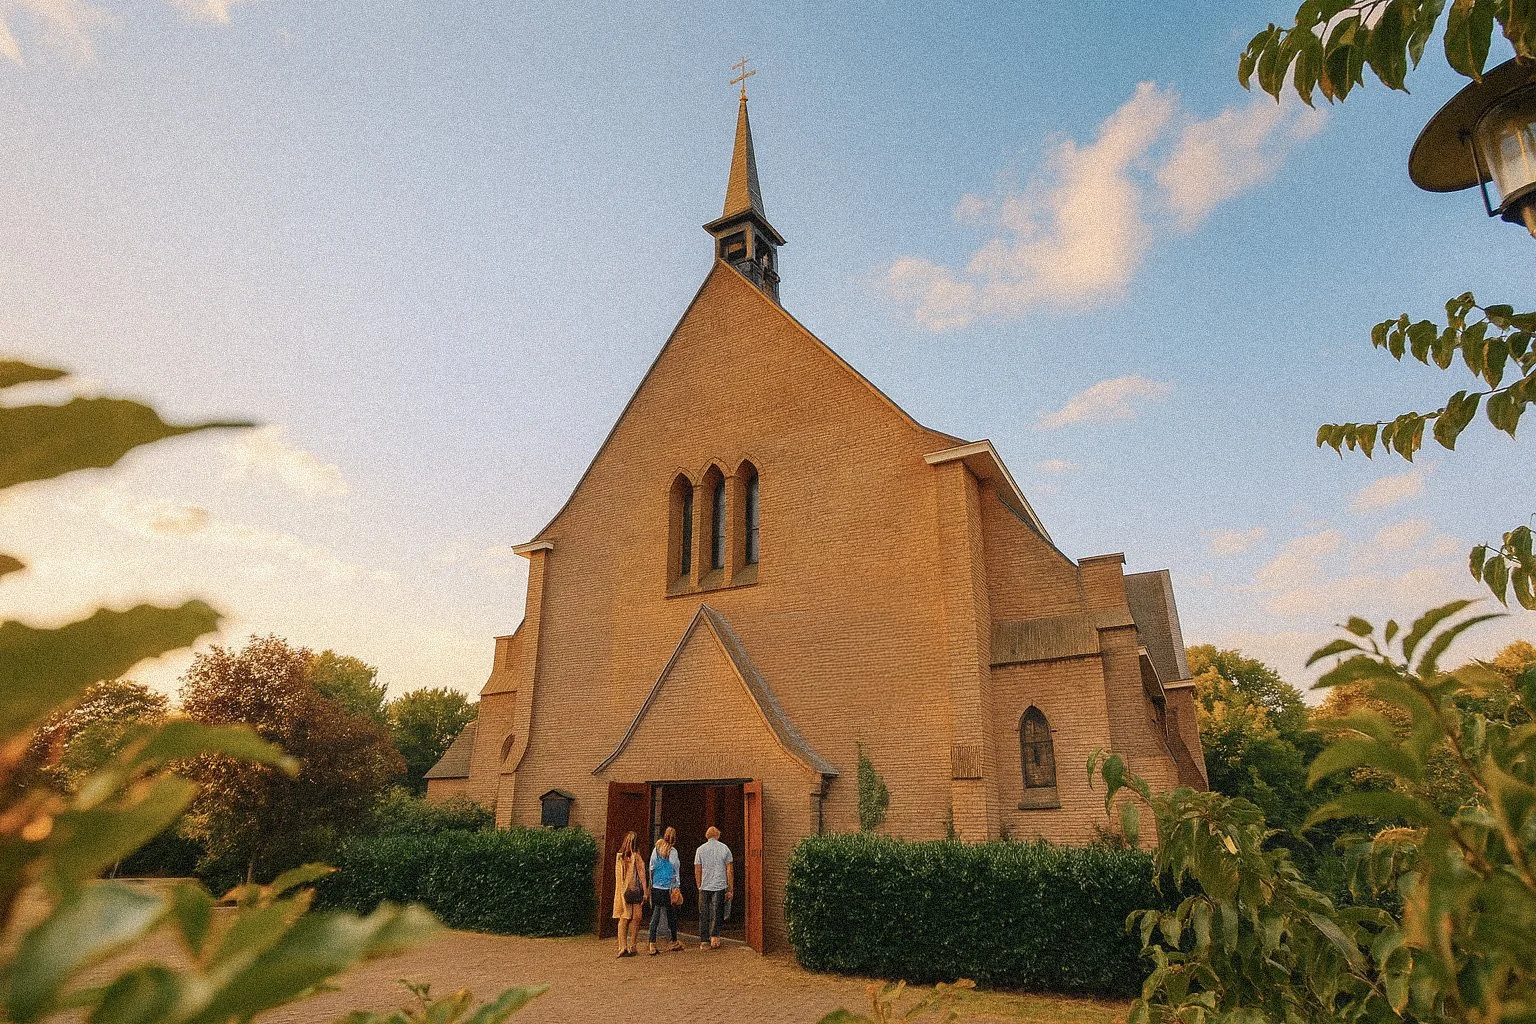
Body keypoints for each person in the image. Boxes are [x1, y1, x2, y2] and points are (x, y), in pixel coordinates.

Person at [693, 825, 733, 949]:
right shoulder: (725, 848)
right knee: (717, 912)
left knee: (704, 912)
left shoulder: (700, 849)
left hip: (705, 885)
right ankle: (715, 937)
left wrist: (699, 885)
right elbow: (729, 869)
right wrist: (730, 888)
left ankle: (704, 940)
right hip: (719, 884)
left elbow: (697, 869)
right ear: (718, 836)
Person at [611, 830, 647, 957]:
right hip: (631, 890)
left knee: (627, 918)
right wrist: (645, 891)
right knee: (632, 918)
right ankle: (629, 945)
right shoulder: (632, 857)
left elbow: (619, 877)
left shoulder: (622, 857)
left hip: (625, 891)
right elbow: (641, 875)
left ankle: (625, 946)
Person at [646, 832, 683, 954]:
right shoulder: (673, 852)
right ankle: (674, 940)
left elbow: (651, 867)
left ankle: (652, 942)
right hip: (669, 887)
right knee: (671, 915)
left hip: (657, 886)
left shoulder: (656, 850)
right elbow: (675, 870)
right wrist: (677, 886)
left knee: (655, 915)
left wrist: (652, 883)